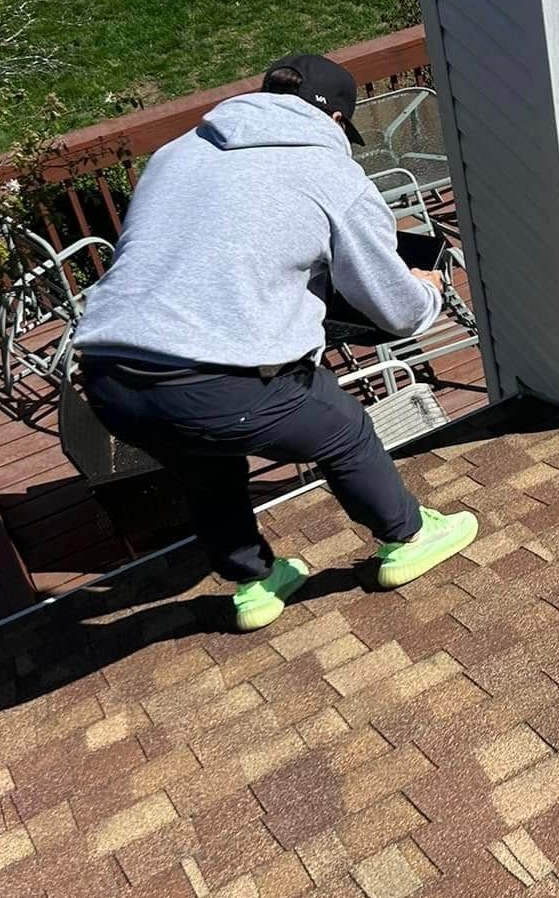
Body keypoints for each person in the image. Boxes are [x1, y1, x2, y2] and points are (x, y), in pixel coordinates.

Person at [76, 53, 478, 631]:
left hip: (108, 374)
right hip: (216, 382)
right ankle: (408, 537)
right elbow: (396, 312)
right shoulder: (331, 175)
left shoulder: (175, 153)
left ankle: (255, 586)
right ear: (337, 121)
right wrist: (429, 288)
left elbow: (206, 252)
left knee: (207, 469)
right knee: (343, 430)